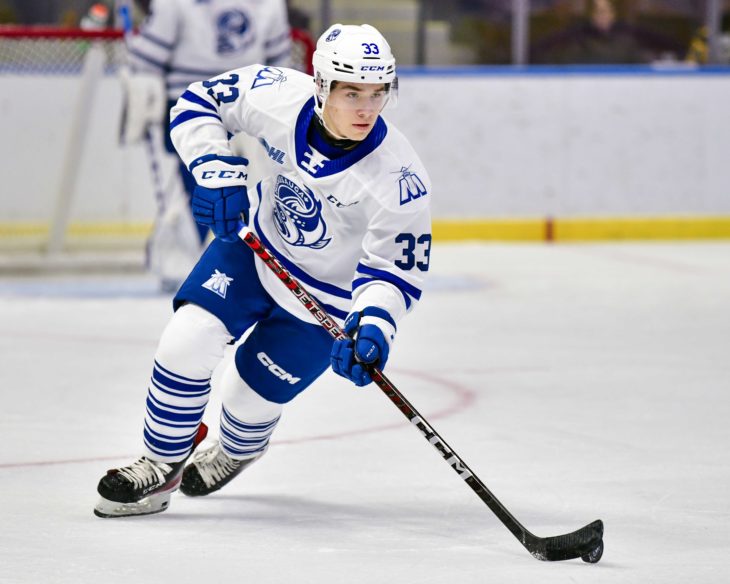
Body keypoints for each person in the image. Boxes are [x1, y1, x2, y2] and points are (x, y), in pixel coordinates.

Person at [93, 23, 432, 518]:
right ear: (321, 86)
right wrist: (213, 169)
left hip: (325, 302)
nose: (367, 108)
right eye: (352, 93)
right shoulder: (277, 94)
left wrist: (376, 324)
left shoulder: (399, 180)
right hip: (254, 250)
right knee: (186, 339)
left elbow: (394, 271)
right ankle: (160, 463)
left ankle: (238, 450)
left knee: (247, 397)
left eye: (378, 93)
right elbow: (198, 101)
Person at [120, 0, 292, 291]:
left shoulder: (269, 4)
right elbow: (147, 61)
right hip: (191, 108)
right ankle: (181, 262)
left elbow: (282, 67)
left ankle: (256, 266)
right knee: (193, 187)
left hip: (253, 108)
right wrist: (143, 87)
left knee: (261, 188)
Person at [530, 0, 681, 65]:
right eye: (596, 12)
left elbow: (672, 46)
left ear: (613, 14)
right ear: (590, 14)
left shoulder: (628, 33)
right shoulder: (577, 33)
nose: (601, 16)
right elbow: (538, 50)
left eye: (605, 11)